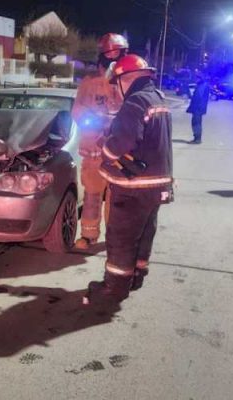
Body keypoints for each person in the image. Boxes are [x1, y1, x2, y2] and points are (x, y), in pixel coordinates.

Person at [84, 54, 173, 305]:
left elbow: (122, 143)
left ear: (125, 79)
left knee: (122, 238)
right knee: (144, 234)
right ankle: (137, 276)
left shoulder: (135, 102)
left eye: (117, 83)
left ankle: (114, 289)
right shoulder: (158, 98)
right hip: (156, 185)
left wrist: (105, 149)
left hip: (133, 187)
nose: (117, 89)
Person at [71, 33, 128, 250]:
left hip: (120, 153)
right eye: (109, 53)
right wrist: (96, 124)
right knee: (93, 196)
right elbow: (77, 110)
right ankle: (88, 235)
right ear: (101, 56)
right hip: (94, 149)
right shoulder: (89, 83)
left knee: (117, 200)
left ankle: (114, 238)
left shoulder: (128, 83)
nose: (113, 57)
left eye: (118, 53)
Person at [187, 72, 210, 144]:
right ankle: (197, 138)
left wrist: (192, 96)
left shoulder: (202, 85)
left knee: (196, 123)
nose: (195, 79)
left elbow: (198, 96)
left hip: (198, 107)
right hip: (199, 107)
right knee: (196, 123)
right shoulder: (202, 85)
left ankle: (197, 139)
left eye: (197, 78)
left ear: (200, 78)